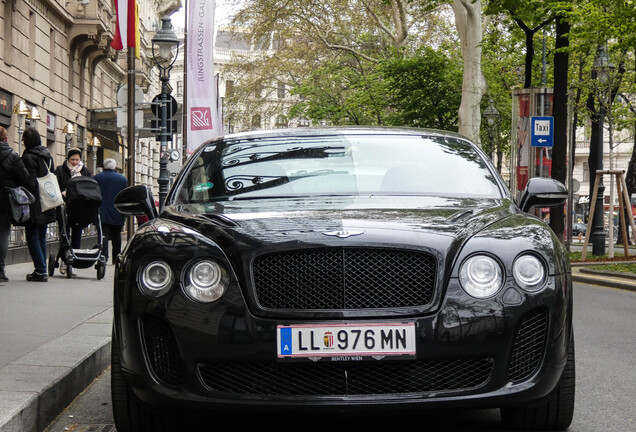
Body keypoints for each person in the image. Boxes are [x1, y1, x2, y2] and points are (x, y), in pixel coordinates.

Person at [21, 127, 57, 282]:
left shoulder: (28, 157)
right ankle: (42, 268)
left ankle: (41, 270)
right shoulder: (47, 155)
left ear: (27, 141)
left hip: (35, 201)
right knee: (41, 236)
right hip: (48, 200)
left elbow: (30, 181)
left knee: (32, 236)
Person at [0, 126, 35, 283]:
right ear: (6, 139)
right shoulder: (13, 156)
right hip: (5, 202)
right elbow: (26, 179)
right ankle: (0, 270)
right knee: (3, 235)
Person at [54, 147, 91, 274]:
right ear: (68, 159)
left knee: (77, 234)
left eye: (77, 159)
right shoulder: (60, 170)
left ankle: (74, 261)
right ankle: (64, 260)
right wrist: (62, 193)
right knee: (64, 234)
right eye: (72, 159)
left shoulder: (85, 171)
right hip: (64, 206)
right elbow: (55, 185)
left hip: (79, 208)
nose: (75, 162)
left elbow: (89, 186)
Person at [94, 158, 127, 264]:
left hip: (102, 210)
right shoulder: (122, 179)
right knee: (117, 236)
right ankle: (116, 257)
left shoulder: (97, 177)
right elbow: (124, 196)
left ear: (104, 166)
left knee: (103, 235)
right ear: (115, 166)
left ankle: (103, 256)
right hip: (117, 211)